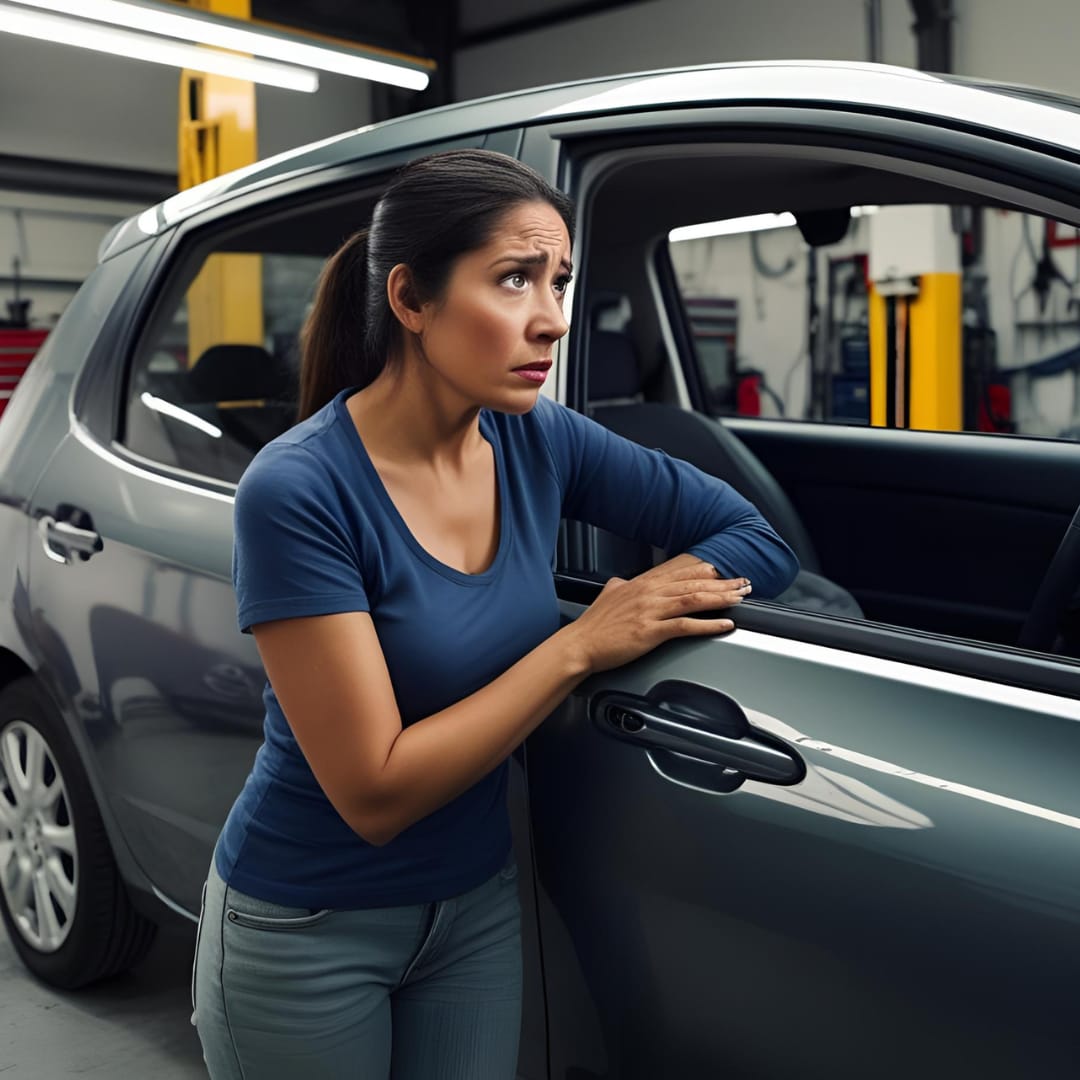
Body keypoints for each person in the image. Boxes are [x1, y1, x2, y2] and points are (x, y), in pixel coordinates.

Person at [190, 148, 799, 1079]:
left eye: (558, 281)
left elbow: (750, 534)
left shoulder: (533, 437)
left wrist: (661, 594)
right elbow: (376, 794)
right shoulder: (300, 490)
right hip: (309, 925)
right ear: (410, 300)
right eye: (513, 279)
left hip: (472, 909)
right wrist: (583, 644)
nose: (551, 320)